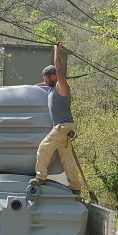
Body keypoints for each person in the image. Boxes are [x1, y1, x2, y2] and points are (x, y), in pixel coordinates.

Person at [31, 44, 85, 195]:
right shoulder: (52, 88)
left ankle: (41, 177)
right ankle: (75, 187)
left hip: (62, 126)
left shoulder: (62, 87)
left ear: (54, 76)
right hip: (65, 128)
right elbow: (41, 85)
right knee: (67, 158)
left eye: (47, 77)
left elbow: (59, 69)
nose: (45, 80)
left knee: (43, 148)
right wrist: (30, 87)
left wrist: (56, 49)